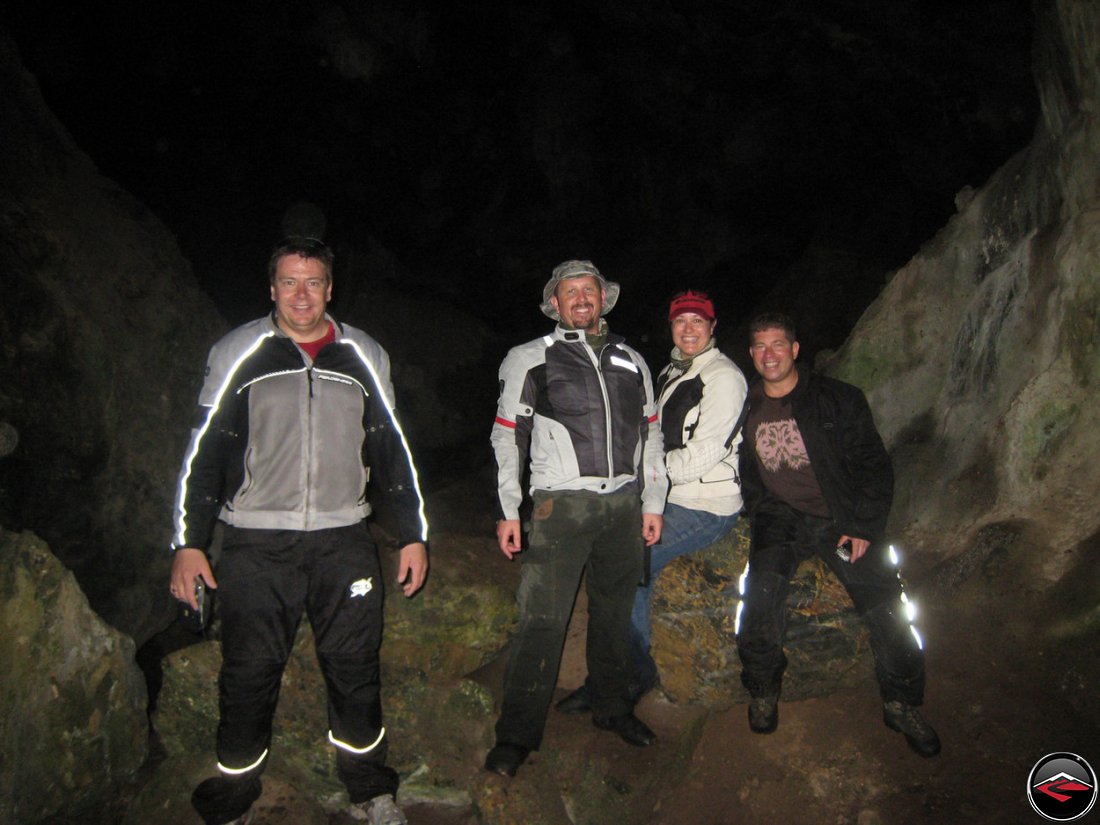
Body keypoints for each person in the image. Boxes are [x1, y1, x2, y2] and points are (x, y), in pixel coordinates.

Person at [168, 236, 429, 825]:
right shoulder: (240, 350)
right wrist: (188, 545)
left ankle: (369, 791)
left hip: (344, 539)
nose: (302, 294)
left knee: (356, 666)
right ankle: (233, 800)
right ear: (272, 288)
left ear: (330, 289)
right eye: (290, 281)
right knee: (249, 672)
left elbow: (391, 450)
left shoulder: (364, 354)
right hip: (257, 541)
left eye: (313, 282)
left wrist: (412, 532)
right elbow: (202, 458)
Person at [484, 259, 668, 777]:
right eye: (571, 292)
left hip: (624, 508)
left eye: (589, 290)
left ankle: (612, 709)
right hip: (560, 507)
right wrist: (508, 509)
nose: (582, 299)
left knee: (613, 616)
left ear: (602, 299)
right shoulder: (530, 357)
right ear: (556, 304)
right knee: (542, 621)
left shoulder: (633, 359)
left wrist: (653, 501)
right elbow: (506, 434)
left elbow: (652, 434)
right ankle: (515, 735)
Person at [736, 312, 940, 757]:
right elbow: (746, 471)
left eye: (778, 345)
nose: (769, 355)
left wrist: (862, 524)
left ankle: (902, 701)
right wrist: (758, 509)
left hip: (840, 517)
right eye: (759, 347)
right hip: (780, 518)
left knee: (888, 608)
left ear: (795, 349)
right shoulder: (746, 405)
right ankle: (763, 689)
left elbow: (873, 464)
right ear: (751, 354)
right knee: (759, 600)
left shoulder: (837, 399)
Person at [554, 290, 748, 713]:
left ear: (713, 328)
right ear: (671, 328)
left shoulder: (723, 377)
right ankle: (612, 671)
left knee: (624, 561)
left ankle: (629, 674)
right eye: (681, 321)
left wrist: (642, 484)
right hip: (667, 495)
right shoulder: (671, 372)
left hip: (705, 505)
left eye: (698, 321)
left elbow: (705, 451)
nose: (689, 329)